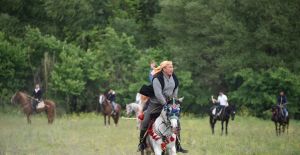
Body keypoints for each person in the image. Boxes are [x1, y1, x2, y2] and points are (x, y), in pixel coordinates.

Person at [138, 60, 188, 153]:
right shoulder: (157, 78)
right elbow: (158, 94)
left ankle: (178, 145)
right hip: (155, 103)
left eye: (172, 67)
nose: (172, 69)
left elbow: (175, 91)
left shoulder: (174, 78)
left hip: (169, 103)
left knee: (176, 121)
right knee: (145, 121)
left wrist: (173, 101)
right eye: (170, 67)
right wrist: (165, 104)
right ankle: (142, 143)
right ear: (164, 69)